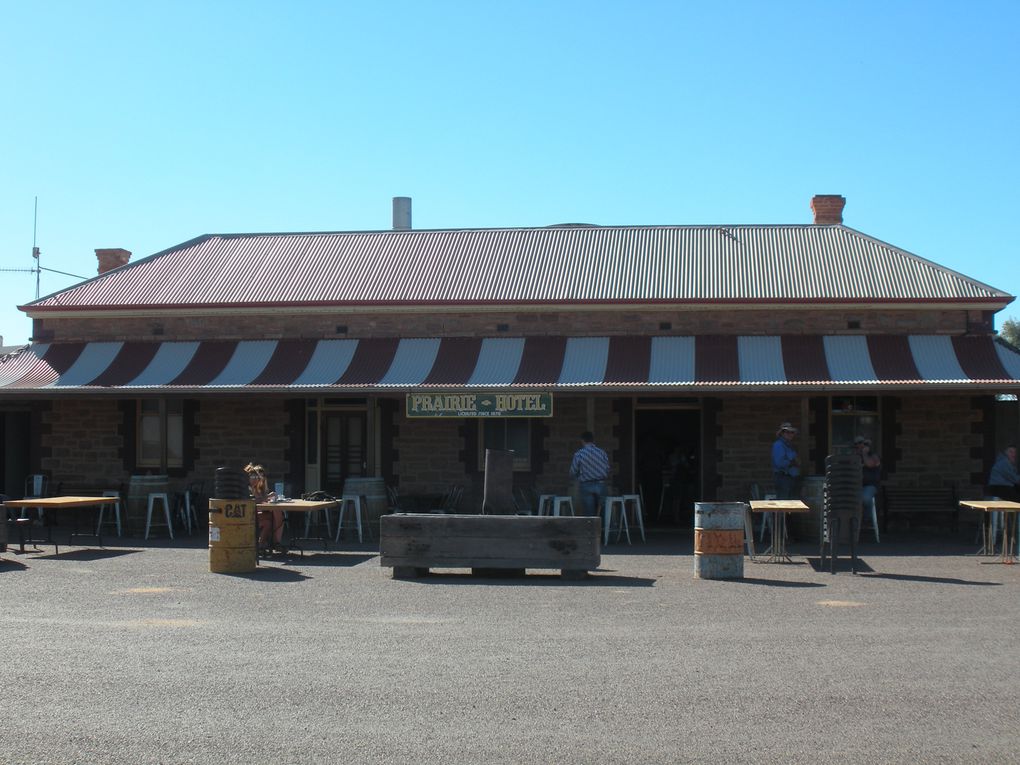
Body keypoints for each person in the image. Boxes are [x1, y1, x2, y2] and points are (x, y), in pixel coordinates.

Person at [570, 431, 611, 519]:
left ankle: (591, 532)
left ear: (582, 441)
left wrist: (578, 477)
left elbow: (573, 471)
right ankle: (603, 531)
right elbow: (607, 469)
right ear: (593, 440)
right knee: (603, 512)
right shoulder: (602, 452)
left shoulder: (579, 454)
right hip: (600, 484)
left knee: (589, 514)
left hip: (586, 485)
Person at [245, 462, 283, 552]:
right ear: (248, 478)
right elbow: (253, 501)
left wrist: (267, 498)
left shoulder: (257, 489)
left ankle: (265, 543)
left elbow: (262, 499)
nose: (255, 479)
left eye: (256, 477)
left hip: (258, 513)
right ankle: (272, 542)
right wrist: (267, 497)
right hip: (250, 514)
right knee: (274, 518)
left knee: (274, 518)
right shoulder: (248, 489)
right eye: (252, 477)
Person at [771, 422, 801, 500]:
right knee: (783, 504)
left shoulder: (789, 446)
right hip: (783, 478)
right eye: (787, 432)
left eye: (792, 432)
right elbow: (779, 463)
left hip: (791, 478)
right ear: (782, 433)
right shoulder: (778, 445)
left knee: (792, 504)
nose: (790, 434)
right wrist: (793, 462)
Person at [855, 436, 882, 508]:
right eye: (856, 445)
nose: (858, 446)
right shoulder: (855, 458)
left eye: (861, 443)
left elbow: (869, 464)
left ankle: (868, 518)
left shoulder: (874, 455)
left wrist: (864, 453)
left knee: (865, 498)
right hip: (856, 486)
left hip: (870, 485)